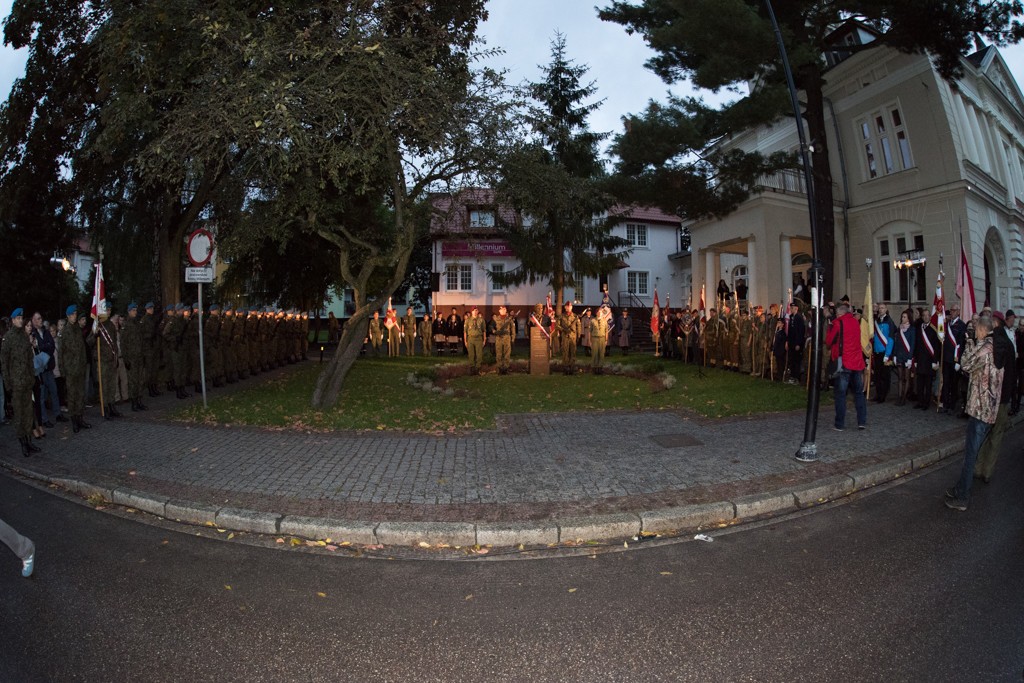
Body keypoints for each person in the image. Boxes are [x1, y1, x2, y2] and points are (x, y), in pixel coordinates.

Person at [946, 315, 1003, 511]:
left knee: (970, 456)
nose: (974, 332)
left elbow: (966, 364)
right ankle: (959, 488)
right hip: (990, 409)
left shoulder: (986, 347)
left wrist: (969, 343)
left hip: (980, 410)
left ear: (981, 330)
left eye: (976, 329)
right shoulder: (998, 345)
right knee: (972, 453)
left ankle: (962, 497)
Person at [973, 310, 1017, 483]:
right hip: (1002, 398)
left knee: (984, 433)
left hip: (988, 396)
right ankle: (987, 471)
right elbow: (1011, 374)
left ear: (995, 323)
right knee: (996, 435)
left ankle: (978, 467)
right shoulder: (1008, 345)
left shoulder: (988, 343)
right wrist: (1008, 395)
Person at [2, 309, 41, 456]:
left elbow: (29, 359)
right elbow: (4, 363)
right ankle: (23, 443)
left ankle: (29, 440)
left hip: (27, 382)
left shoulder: (25, 337)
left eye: (21, 318)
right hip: (16, 384)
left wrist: (32, 377)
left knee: (28, 413)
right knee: (19, 415)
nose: (20, 320)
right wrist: (8, 384)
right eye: (18, 318)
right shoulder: (8, 338)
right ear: (13, 320)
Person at [825, 303, 867, 432]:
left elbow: (829, 341)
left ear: (839, 314)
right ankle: (861, 422)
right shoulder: (855, 322)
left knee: (841, 394)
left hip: (844, 362)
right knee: (859, 393)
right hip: (857, 362)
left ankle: (839, 424)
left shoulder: (838, 323)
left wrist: (830, 327)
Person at [58, 305, 92, 433]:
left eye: (75, 314)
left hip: (80, 368)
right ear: (68, 316)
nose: (74, 316)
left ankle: (80, 418)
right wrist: (63, 371)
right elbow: (61, 353)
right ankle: (74, 421)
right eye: (72, 314)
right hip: (70, 370)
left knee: (80, 395)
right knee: (72, 396)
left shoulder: (78, 329)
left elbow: (82, 348)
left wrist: (83, 363)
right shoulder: (64, 332)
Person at [30, 312, 60, 427]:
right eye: (38, 319)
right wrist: (44, 347)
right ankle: (44, 419)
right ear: (33, 321)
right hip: (40, 370)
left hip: (49, 367)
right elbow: (36, 349)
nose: (40, 320)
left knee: (54, 391)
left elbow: (51, 346)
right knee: (41, 396)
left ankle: (58, 414)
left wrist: (42, 347)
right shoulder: (32, 334)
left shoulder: (46, 332)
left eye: (41, 318)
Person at [941, 304, 967, 414]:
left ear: (958, 312)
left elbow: (961, 344)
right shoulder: (947, 324)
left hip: (954, 359)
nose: (951, 312)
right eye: (951, 310)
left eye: (953, 310)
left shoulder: (961, 325)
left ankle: (952, 406)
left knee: (954, 384)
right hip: (946, 358)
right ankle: (945, 404)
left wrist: (958, 361)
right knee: (946, 382)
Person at [911, 313, 940, 410]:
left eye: (927, 315)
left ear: (930, 317)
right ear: (922, 317)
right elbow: (916, 344)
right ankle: (920, 401)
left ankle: (926, 403)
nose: (926, 317)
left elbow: (936, 347)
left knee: (928, 384)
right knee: (919, 384)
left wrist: (935, 360)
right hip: (920, 360)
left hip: (929, 361)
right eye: (924, 315)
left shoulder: (933, 329)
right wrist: (915, 359)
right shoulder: (919, 328)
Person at [870, 303, 896, 403]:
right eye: (879, 308)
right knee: (877, 375)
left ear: (886, 309)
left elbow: (891, 339)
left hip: (885, 353)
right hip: (877, 351)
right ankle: (878, 393)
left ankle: (883, 395)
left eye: (882, 308)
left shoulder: (889, 321)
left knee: (885, 375)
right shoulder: (876, 321)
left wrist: (887, 354)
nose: (880, 310)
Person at [558, 301, 580, 374]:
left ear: (571, 307)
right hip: (565, 336)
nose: (568, 308)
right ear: (565, 307)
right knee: (565, 352)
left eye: (570, 306)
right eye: (567, 306)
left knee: (573, 352)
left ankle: (572, 368)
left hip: (573, 337)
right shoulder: (561, 316)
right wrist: (563, 329)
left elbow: (578, 326)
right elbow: (557, 325)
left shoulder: (575, 316)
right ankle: (565, 368)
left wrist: (578, 335)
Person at [786, 302, 806, 383]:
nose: (791, 309)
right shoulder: (791, 317)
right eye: (790, 308)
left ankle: (796, 377)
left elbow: (800, 332)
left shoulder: (799, 318)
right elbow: (789, 331)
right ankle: (792, 376)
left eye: (792, 308)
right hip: (791, 342)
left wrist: (798, 343)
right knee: (792, 360)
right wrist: (787, 341)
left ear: (796, 308)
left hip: (797, 342)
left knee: (796, 360)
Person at [492, 306, 514, 374]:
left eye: (504, 309)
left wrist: (513, 338)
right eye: (501, 309)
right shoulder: (495, 318)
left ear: (506, 310)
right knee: (499, 354)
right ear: (499, 311)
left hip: (507, 338)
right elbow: (491, 326)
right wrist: (494, 331)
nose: (503, 310)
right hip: (499, 338)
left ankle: (506, 368)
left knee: (507, 354)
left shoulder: (509, 319)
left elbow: (513, 329)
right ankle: (499, 368)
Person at [464, 306, 486, 374]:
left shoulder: (481, 320)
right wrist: (465, 341)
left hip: (479, 338)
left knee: (479, 355)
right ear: (471, 311)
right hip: (470, 338)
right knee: (471, 354)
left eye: (476, 310)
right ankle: (472, 369)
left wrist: (484, 340)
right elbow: (465, 331)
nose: (475, 312)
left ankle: (478, 369)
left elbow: (484, 331)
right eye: (474, 310)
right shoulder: (468, 320)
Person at [591, 305, 611, 374]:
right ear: (596, 313)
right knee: (595, 353)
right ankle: (594, 368)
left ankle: (600, 367)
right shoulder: (593, 320)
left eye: (601, 312)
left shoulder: (604, 321)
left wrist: (606, 340)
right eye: (598, 312)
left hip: (602, 338)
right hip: (595, 338)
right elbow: (590, 331)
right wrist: (590, 340)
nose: (600, 313)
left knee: (601, 353)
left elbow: (606, 331)